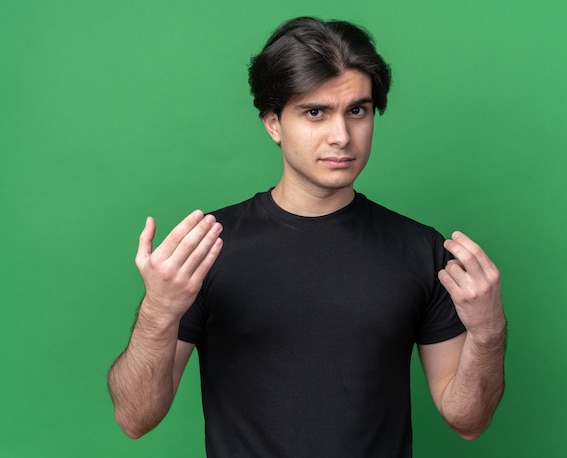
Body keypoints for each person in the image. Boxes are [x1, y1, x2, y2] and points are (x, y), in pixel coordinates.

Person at [107, 16, 506, 457]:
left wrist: (488, 333)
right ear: (273, 123)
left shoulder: (421, 250)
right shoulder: (208, 249)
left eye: (358, 110)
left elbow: (468, 421)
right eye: (315, 112)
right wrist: (158, 313)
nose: (342, 136)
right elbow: (134, 419)